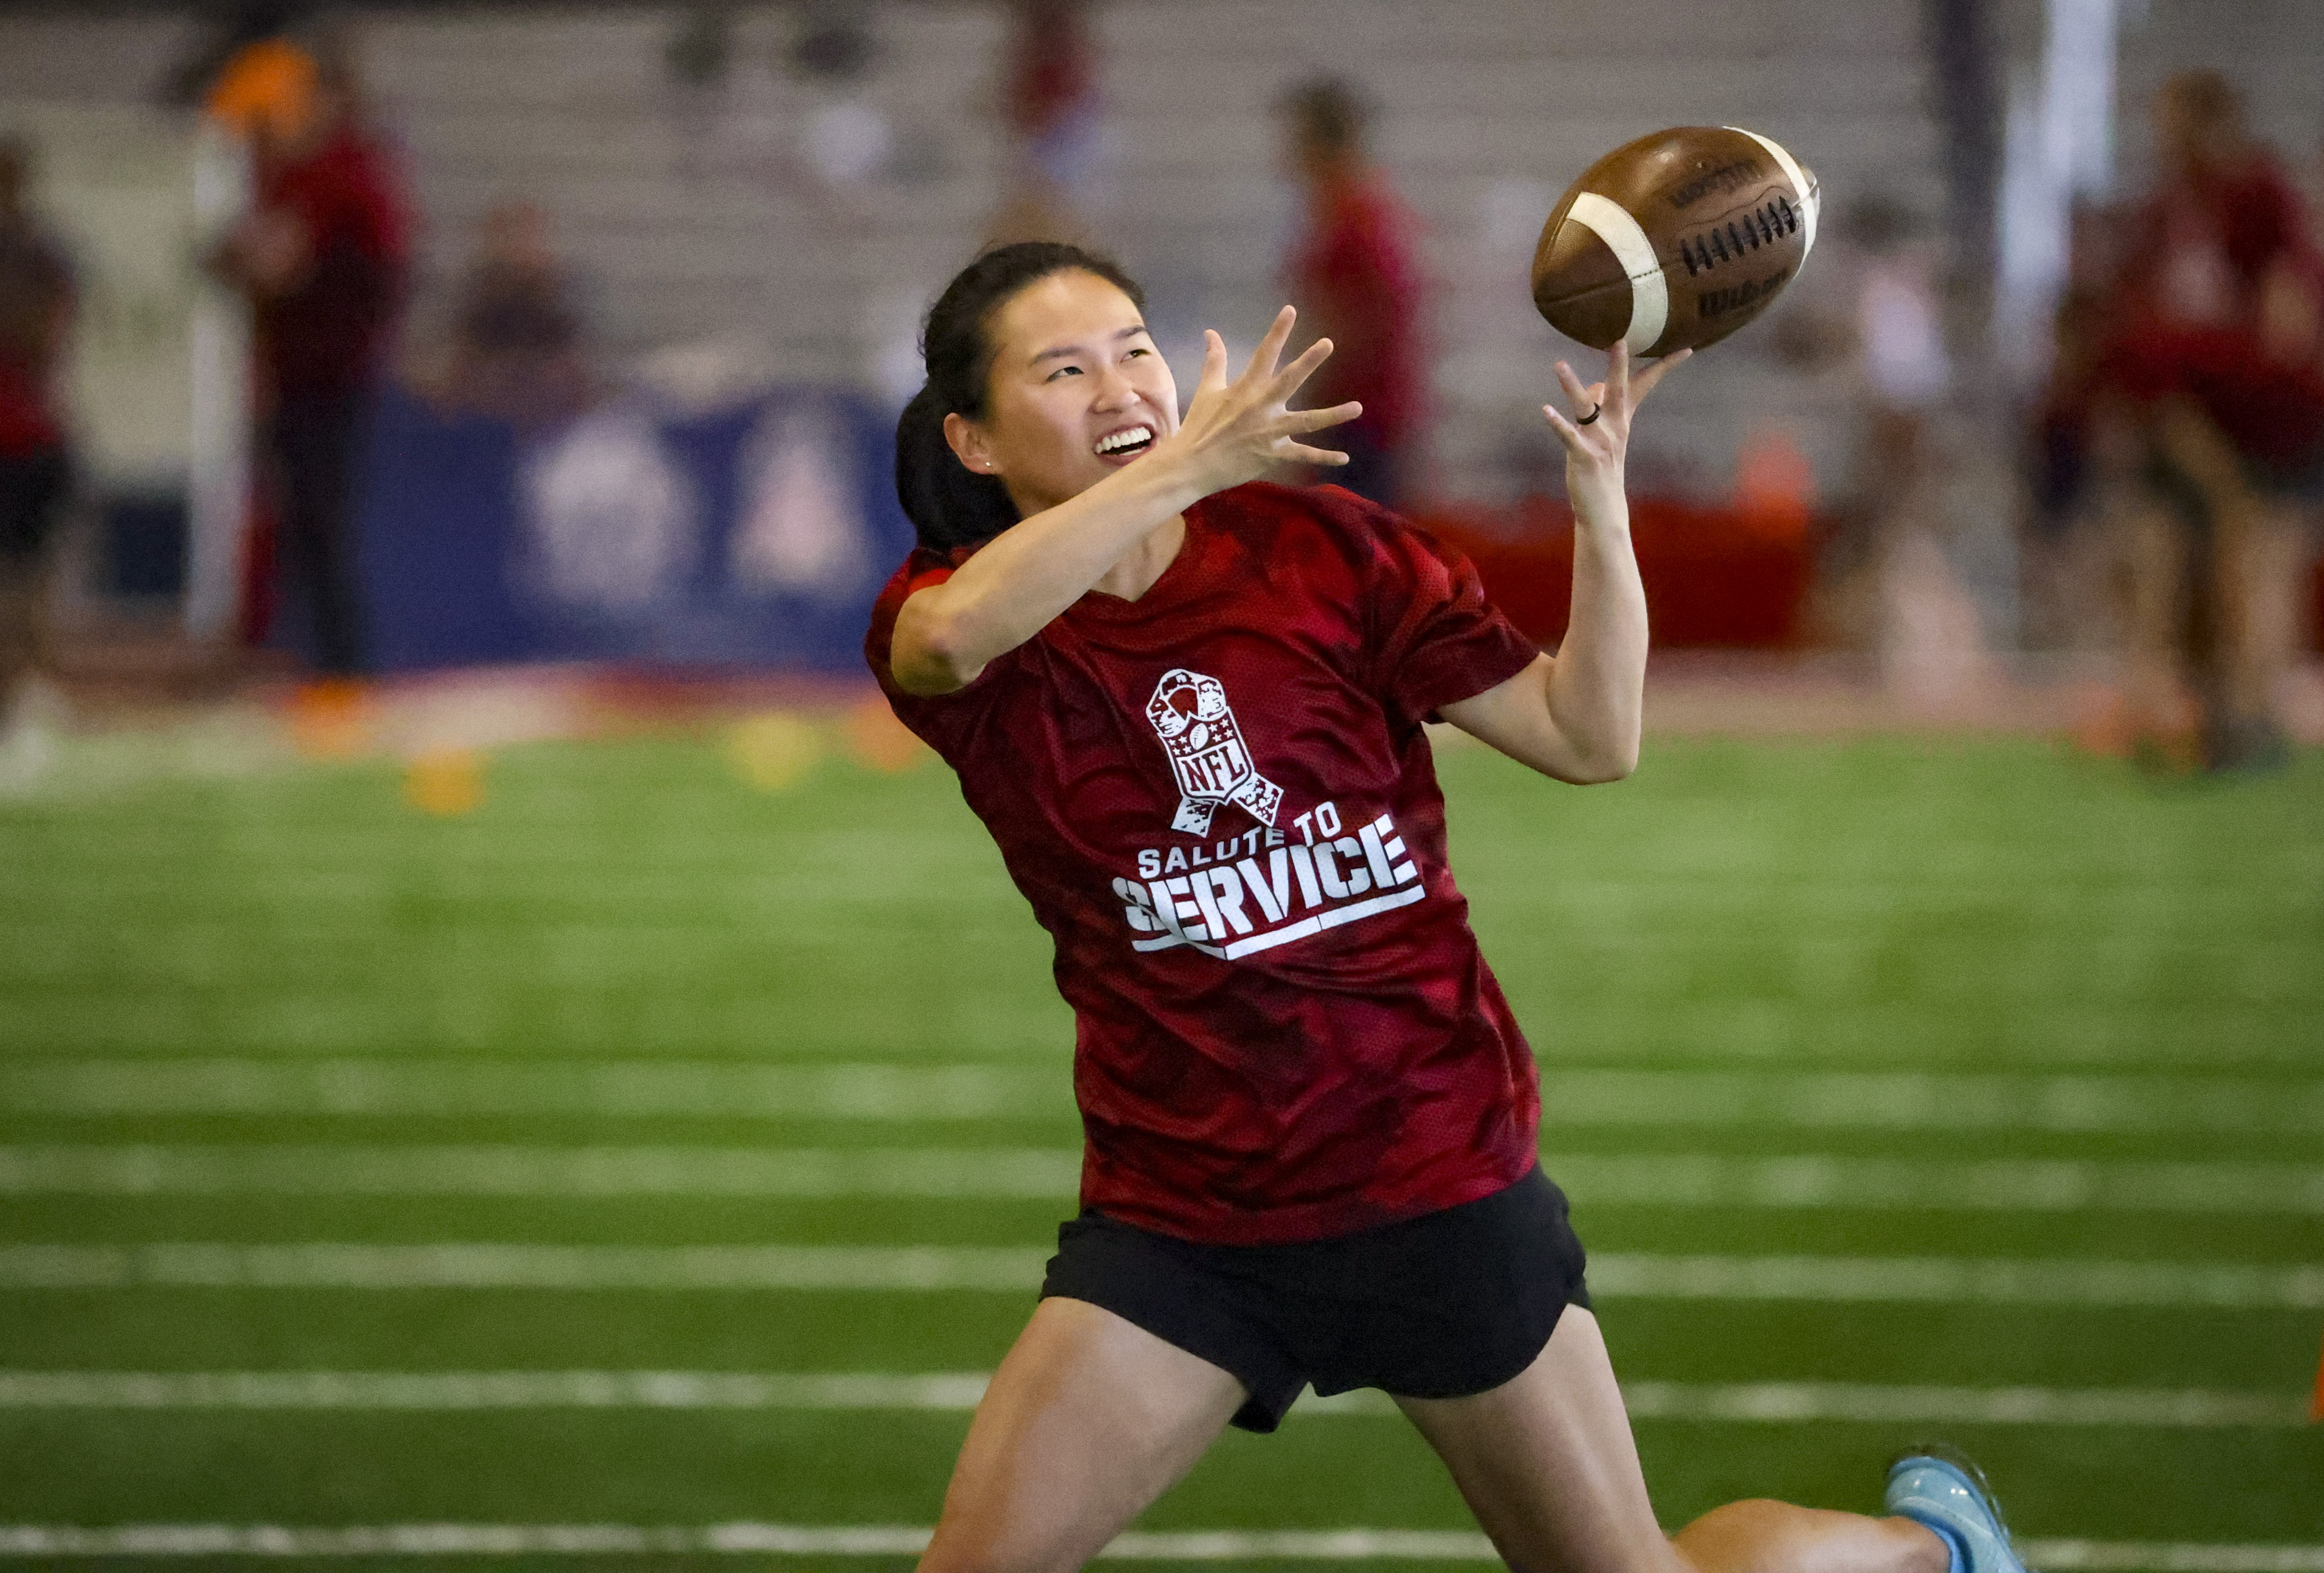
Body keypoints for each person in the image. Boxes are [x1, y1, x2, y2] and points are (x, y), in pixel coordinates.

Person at [865, 241, 2028, 1573]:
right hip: (1188, 1210)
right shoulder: (958, 622)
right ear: (970, 435)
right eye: (1061, 369)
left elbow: (1588, 735)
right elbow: (949, 639)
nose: (1116, 383)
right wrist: (1182, 468)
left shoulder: (1321, 552)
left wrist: (1601, 503)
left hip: (1429, 1171)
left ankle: (1920, 1552)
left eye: (1132, 348)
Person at [211, 33, 411, 675]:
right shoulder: (296, 171)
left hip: (330, 377)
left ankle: (341, 675)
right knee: (293, 533)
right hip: (292, 373)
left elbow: (280, 264)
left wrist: (250, 259)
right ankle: (306, 667)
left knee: (320, 530)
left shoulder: (345, 172)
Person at [1277, 78, 1425, 510]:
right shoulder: (1349, 216)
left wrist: (1305, 407)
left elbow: (1351, 330)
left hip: (1357, 422)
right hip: (1361, 415)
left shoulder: (1355, 224)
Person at [0, 136, 75, 785]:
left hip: (22, 436)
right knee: (23, 578)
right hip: (29, 433)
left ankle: (26, 692)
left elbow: (45, 335)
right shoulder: (39, 256)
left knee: (24, 578)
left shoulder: (34, 257)